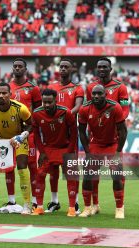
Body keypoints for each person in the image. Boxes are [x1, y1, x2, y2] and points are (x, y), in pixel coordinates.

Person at [85, 57, 129, 215]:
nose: (102, 69)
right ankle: (95, 205)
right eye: (99, 67)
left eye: (105, 67)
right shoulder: (90, 87)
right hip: (96, 135)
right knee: (92, 172)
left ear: (110, 69)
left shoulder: (120, 87)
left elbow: (125, 109)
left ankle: (120, 207)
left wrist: (115, 122)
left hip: (114, 135)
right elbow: (89, 108)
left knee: (116, 172)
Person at [78, 84, 128, 219]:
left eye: (99, 94)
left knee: (116, 175)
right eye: (94, 94)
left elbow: (123, 131)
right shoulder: (84, 108)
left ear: (105, 95)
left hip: (113, 144)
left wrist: (118, 152)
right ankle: (88, 207)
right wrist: (88, 151)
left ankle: (119, 208)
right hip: (95, 144)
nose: (96, 96)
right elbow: (81, 131)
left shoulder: (115, 106)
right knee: (88, 174)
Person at [0, 83, 32, 215]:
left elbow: (31, 124)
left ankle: (27, 205)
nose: (1, 96)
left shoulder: (20, 108)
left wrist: (22, 136)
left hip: (17, 140)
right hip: (0, 140)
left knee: (22, 167)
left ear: (10, 94)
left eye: (4, 93)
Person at [31, 89, 78, 216]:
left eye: (49, 102)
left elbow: (74, 134)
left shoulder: (66, 112)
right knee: (40, 174)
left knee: (71, 176)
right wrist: (42, 152)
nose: (46, 105)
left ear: (55, 101)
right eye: (44, 102)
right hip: (48, 149)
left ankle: (72, 208)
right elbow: (36, 135)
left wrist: (69, 152)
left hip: (65, 147)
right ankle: (39, 207)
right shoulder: (36, 113)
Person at [47, 58, 84, 214]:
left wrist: (64, 116)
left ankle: (74, 203)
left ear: (72, 70)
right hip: (52, 132)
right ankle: (54, 201)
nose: (62, 69)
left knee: (71, 169)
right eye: (61, 67)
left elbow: (78, 106)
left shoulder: (77, 88)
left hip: (69, 133)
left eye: (66, 67)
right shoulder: (51, 87)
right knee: (52, 168)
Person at [8, 58, 42, 209]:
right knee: (9, 165)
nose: (17, 68)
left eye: (20, 66)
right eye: (15, 66)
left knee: (31, 166)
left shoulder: (33, 89)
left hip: (29, 133)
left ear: (25, 69)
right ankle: (11, 200)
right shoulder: (7, 87)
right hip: (9, 132)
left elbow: (38, 110)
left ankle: (34, 201)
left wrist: (32, 128)